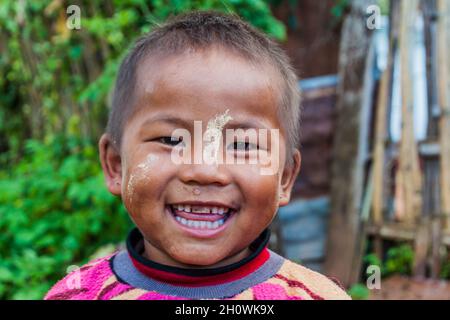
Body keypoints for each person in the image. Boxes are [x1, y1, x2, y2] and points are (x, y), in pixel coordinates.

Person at [45, 11, 350, 300]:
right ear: (116, 164)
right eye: (171, 140)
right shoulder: (79, 293)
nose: (205, 170)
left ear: (284, 178)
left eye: (242, 145)